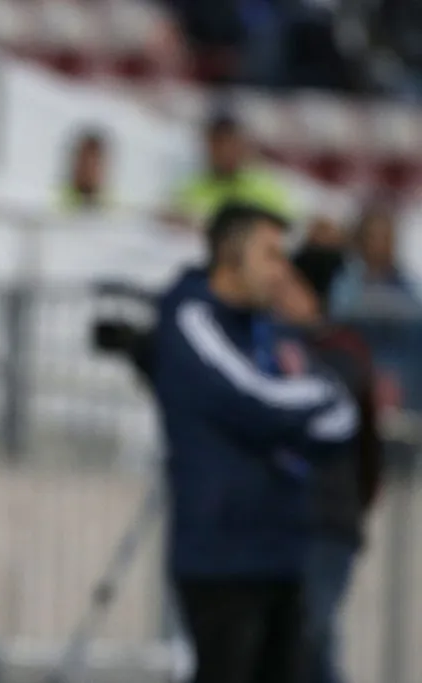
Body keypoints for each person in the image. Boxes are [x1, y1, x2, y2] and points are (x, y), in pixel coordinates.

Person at [150, 202, 359, 683]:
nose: (281, 271)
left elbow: (339, 423)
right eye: (270, 255)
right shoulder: (192, 316)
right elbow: (258, 400)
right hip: (223, 558)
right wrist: (320, 399)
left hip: (281, 549)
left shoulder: (259, 329)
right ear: (230, 254)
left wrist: (311, 405)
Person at [274, 249, 383, 683]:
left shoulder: (341, 352)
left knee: (310, 635)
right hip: (287, 519)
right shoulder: (280, 344)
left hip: (327, 519)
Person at [167, 111, 291, 229]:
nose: (225, 152)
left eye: (231, 143)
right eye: (218, 144)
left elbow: (284, 222)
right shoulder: (191, 187)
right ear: (208, 146)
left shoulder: (265, 187)